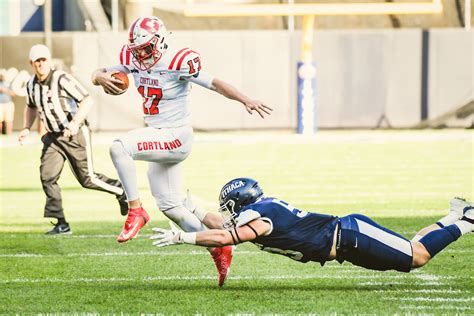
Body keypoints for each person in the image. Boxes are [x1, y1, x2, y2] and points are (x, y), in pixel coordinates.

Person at [91, 16, 272, 286]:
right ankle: (219, 248)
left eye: (145, 48)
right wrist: (99, 77)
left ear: (160, 42)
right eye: (136, 49)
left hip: (175, 137)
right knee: (170, 205)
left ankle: (135, 210)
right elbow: (98, 73)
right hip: (158, 136)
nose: (140, 55)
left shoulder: (177, 61)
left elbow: (216, 83)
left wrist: (246, 100)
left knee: (120, 148)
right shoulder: (133, 58)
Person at [151, 177, 473, 285]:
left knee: (417, 257)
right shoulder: (260, 211)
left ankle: (467, 220)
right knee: (414, 248)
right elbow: (223, 226)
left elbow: (226, 236)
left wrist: (182, 236)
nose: (228, 214)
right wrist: (190, 209)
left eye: (230, 207)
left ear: (240, 202)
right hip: (347, 244)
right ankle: (455, 216)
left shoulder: (263, 219)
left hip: (351, 236)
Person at [18, 44, 128, 235]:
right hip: (52, 137)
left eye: (44, 60)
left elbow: (87, 100)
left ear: (49, 60)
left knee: (87, 179)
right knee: (47, 176)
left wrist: (75, 123)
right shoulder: (31, 85)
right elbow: (31, 106)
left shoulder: (61, 78)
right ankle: (61, 222)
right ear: (31, 63)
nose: (41, 64)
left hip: (74, 133)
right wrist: (26, 127)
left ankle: (121, 191)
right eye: (37, 61)